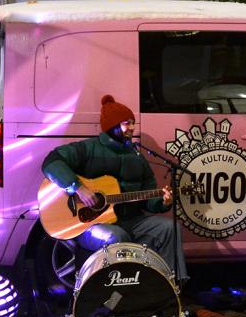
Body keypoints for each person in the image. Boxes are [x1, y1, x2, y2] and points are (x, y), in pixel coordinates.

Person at [41, 94, 188, 284]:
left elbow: (148, 197)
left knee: (169, 228)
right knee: (116, 236)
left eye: (132, 123)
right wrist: (78, 188)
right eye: (127, 123)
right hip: (90, 225)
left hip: (131, 220)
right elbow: (51, 162)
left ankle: (170, 287)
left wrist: (162, 201)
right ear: (112, 126)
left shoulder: (137, 157)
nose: (132, 128)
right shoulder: (87, 149)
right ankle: (121, 295)